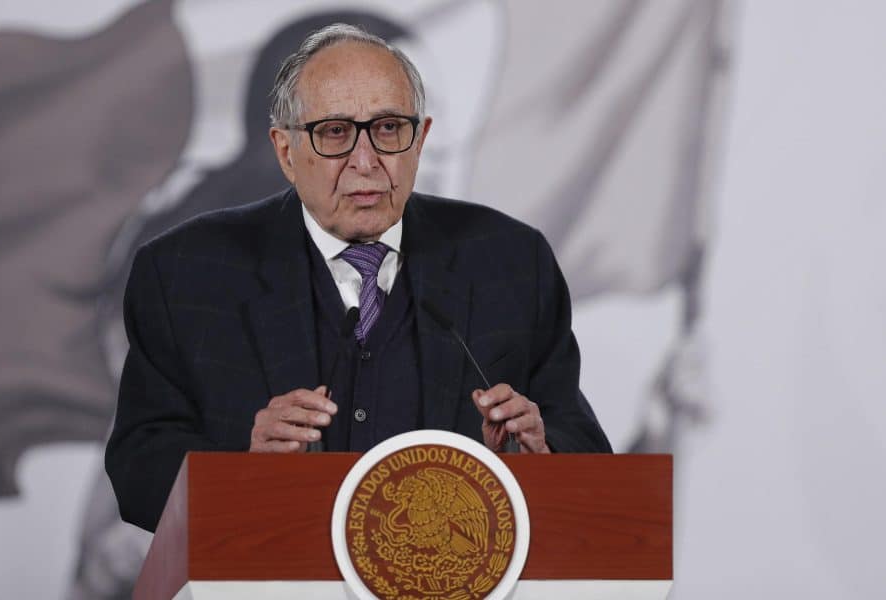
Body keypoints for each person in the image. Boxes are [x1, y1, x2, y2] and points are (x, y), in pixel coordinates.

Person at [106, 23, 611, 533]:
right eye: (334, 133)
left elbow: (586, 452)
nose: (365, 162)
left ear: (422, 140)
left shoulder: (511, 262)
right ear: (285, 152)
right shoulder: (185, 273)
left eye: (389, 128)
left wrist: (543, 455)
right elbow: (138, 469)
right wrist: (243, 466)